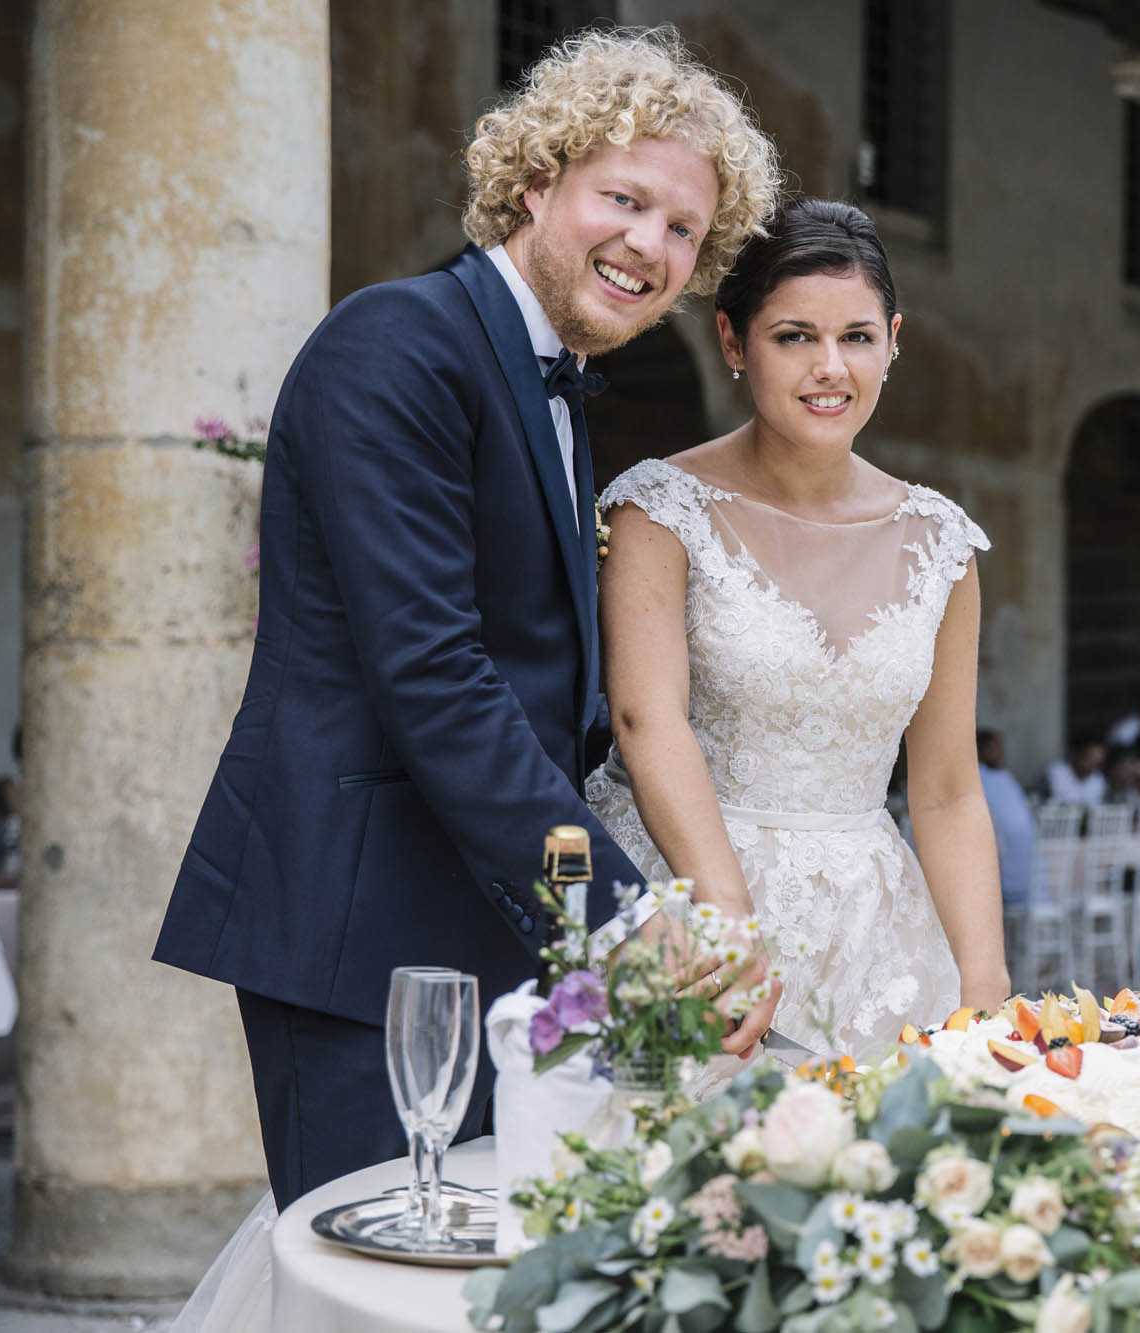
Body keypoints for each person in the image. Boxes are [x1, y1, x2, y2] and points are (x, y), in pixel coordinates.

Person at [153, 28, 784, 1210]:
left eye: (681, 230)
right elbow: (435, 674)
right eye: (623, 199)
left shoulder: (550, 382)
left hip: (488, 922)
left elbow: (552, 693)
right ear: (536, 181)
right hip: (359, 923)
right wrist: (619, 916)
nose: (648, 245)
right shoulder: (396, 343)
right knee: (366, 1266)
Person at [586, 197, 1008, 1072]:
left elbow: (946, 790)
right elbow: (645, 719)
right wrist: (724, 920)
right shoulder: (659, 509)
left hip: (873, 938)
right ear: (733, 342)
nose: (830, 368)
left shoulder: (942, 544)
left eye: (857, 337)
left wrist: (984, 986)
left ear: (892, 341)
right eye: (794, 337)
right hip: (689, 906)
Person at [977, 730, 1035, 907]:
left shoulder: (1003, 778)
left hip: (1013, 869)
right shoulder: (977, 777)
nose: (1001, 754)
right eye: (994, 748)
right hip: (997, 867)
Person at [1043, 732, 1109, 806]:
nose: (1093, 765)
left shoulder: (1098, 779)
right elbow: (1058, 803)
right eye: (1090, 759)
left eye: (1098, 762)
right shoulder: (1056, 772)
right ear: (1076, 754)